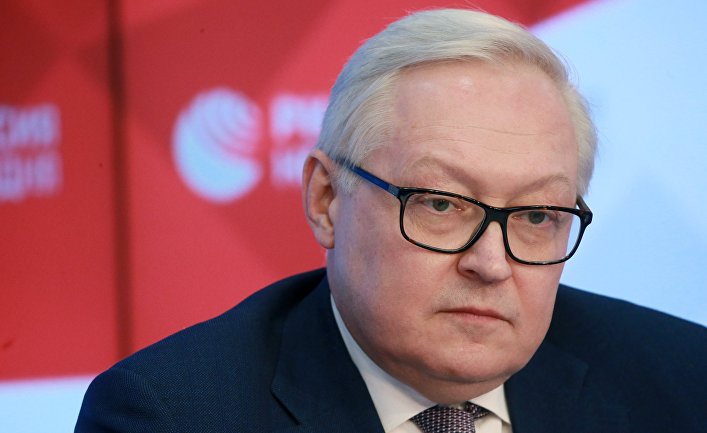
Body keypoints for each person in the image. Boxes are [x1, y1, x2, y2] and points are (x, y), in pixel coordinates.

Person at [75, 8, 706, 433]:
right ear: (326, 199)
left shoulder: (683, 383)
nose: (491, 263)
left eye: (537, 215)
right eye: (441, 203)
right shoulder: (175, 415)